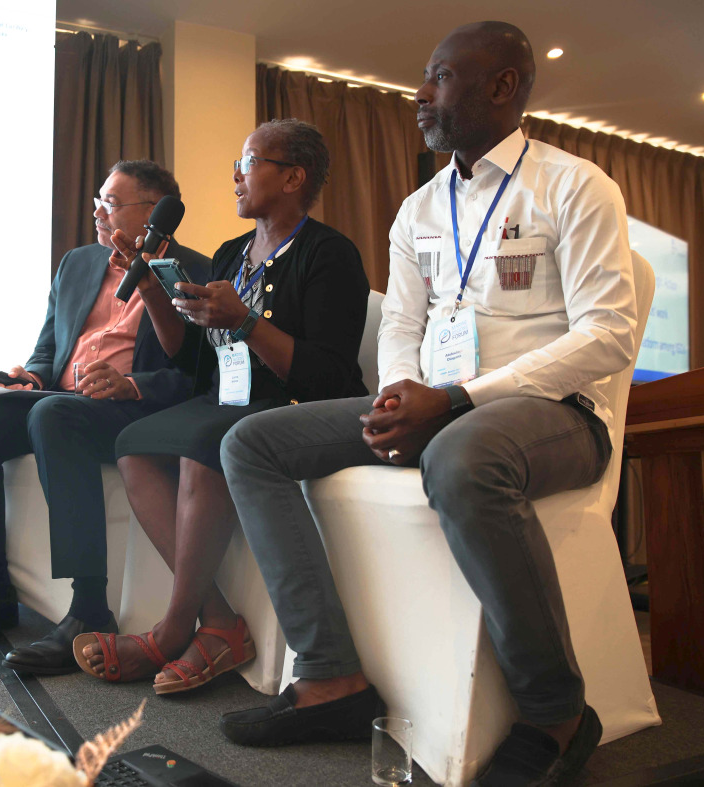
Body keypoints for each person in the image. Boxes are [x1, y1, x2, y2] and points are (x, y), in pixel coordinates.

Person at [217, 21, 638, 786]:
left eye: (441, 77)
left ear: (504, 86)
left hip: (554, 413)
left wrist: (452, 398)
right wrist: (397, 394)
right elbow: (402, 327)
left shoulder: (576, 185)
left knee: (461, 453)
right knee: (252, 443)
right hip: (436, 402)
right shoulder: (417, 209)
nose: (420, 92)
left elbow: (607, 336)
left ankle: (556, 710)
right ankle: (330, 675)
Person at [74, 119, 369, 694]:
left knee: (202, 441)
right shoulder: (231, 253)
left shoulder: (330, 253)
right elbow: (190, 361)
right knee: (135, 443)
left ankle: (173, 629)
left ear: (293, 177)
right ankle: (217, 622)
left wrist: (247, 322)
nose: (235, 175)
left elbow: (330, 375)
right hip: (224, 396)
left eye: (250, 162)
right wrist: (159, 290)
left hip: (290, 405)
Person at [0, 160, 210, 677]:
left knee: (54, 416)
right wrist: (29, 378)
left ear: (152, 213)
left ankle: (88, 610)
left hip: (130, 410)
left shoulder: (195, 270)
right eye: (97, 202)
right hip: (59, 401)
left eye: (110, 203)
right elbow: (47, 353)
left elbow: (196, 376)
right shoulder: (78, 263)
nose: (97, 213)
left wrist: (132, 384)